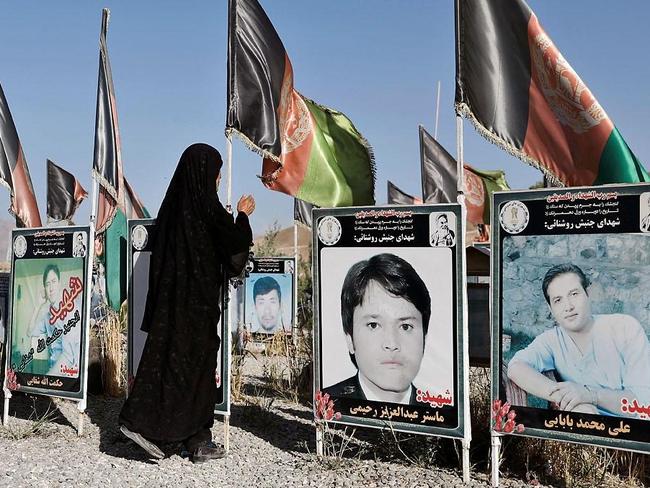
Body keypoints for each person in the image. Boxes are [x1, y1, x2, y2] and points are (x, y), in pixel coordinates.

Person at [119, 143, 255, 462]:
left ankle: (194, 439)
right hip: (197, 309)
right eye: (216, 174)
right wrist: (243, 216)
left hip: (169, 308)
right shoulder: (208, 209)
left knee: (166, 366)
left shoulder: (171, 211)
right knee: (198, 371)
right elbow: (235, 251)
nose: (218, 180)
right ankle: (138, 422)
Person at [507, 263, 650, 416]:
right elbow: (516, 367)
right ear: (551, 309)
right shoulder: (551, 341)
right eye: (558, 300)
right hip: (589, 427)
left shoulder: (625, 328)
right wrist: (566, 397)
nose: (568, 306)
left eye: (574, 294)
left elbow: (644, 404)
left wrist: (589, 395)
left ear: (587, 294)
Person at [323, 253, 430, 405]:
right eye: (373, 325)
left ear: (424, 338)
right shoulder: (328, 404)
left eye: (405, 327)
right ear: (349, 338)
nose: (392, 344)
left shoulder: (442, 414)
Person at [27, 264, 82, 375]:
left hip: (70, 374)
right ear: (45, 289)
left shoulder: (71, 309)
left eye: (54, 282)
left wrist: (47, 380)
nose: (51, 288)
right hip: (53, 369)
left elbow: (68, 356)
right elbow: (30, 332)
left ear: (59, 284)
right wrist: (38, 306)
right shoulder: (48, 317)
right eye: (47, 284)